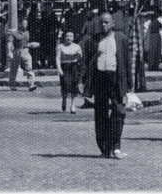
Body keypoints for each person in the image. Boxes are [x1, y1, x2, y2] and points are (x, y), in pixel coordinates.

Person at [82, 12, 131, 159]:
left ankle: (116, 146)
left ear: (113, 24)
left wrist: (129, 85)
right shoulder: (93, 40)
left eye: (106, 22)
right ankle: (104, 148)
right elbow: (86, 61)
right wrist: (83, 82)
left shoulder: (121, 39)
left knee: (119, 111)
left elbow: (126, 62)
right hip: (100, 79)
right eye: (101, 22)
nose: (103, 25)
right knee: (101, 114)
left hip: (115, 78)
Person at [56, 31, 83, 113]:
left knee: (74, 86)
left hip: (74, 67)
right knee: (65, 85)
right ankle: (64, 99)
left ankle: (73, 105)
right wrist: (59, 68)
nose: (69, 38)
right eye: (67, 36)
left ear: (73, 38)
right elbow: (58, 58)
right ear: (64, 37)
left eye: (71, 36)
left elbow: (80, 58)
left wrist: (79, 55)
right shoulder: (60, 46)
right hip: (65, 67)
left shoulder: (77, 46)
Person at [8, 19, 38, 92]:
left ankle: (31, 84)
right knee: (14, 69)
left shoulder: (27, 32)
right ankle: (12, 85)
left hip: (26, 50)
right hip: (17, 51)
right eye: (24, 24)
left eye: (26, 24)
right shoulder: (14, 33)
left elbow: (27, 42)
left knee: (29, 67)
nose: (25, 25)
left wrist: (32, 44)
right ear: (20, 24)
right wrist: (9, 52)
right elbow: (9, 42)